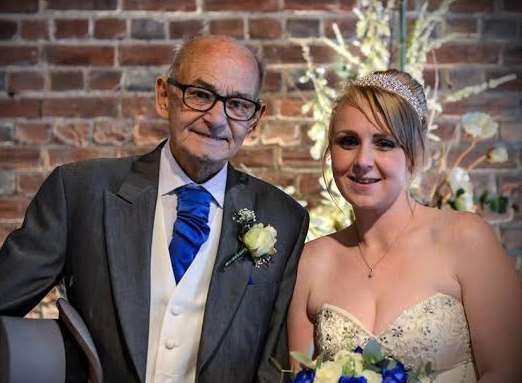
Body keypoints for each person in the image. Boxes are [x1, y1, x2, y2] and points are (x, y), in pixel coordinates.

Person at [0, 35, 309, 383]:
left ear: (255, 119)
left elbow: (274, 364)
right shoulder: (80, 191)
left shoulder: (284, 217)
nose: (217, 119)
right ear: (165, 96)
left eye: (237, 104)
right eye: (201, 94)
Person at [288, 69, 522, 382]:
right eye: (348, 141)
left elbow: (508, 370)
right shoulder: (311, 262)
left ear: (414, 153)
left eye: (384, 143)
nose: (362, 160)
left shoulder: (466, 239)